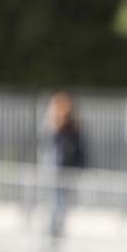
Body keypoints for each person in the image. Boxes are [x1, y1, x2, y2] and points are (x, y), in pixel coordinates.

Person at [38, 92, 86, 241]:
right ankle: (53, 231)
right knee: (54, 202)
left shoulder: (72, 129)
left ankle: (57, 231)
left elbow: (79, 150)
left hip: (66, 170)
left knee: (62, 203)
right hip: (55, 171)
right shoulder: (53, 128)